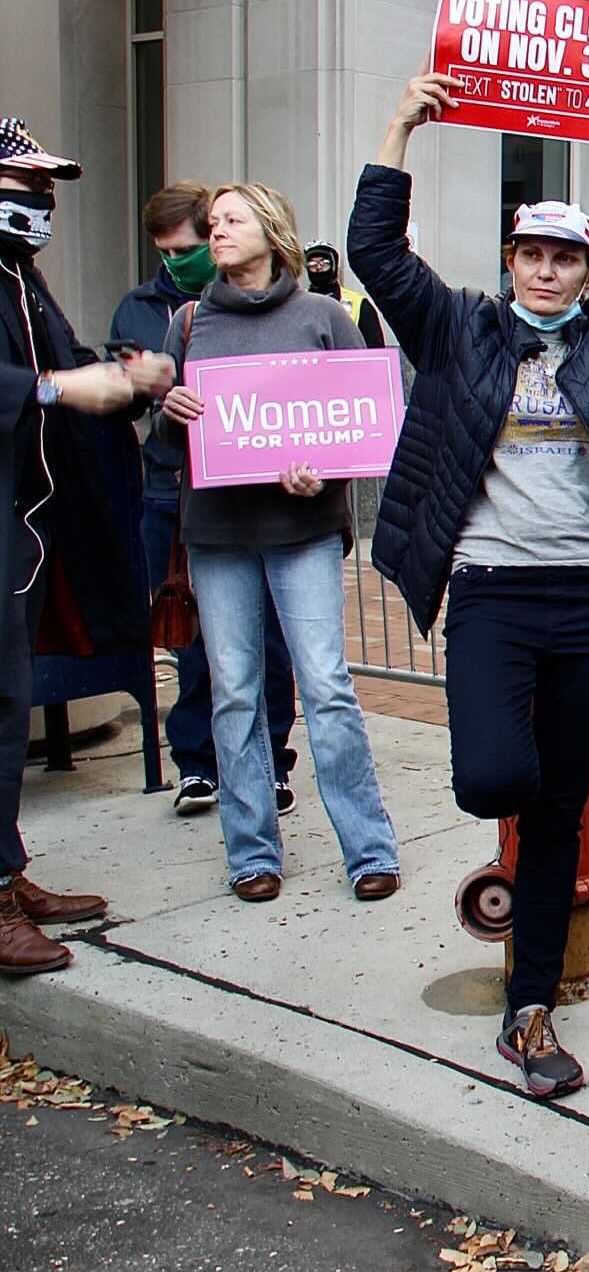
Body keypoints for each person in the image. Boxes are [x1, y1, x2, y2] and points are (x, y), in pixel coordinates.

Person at [346, 59, 589, 1099]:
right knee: (493, 780)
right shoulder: (460, 327)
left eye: (564, 257)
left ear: (588, 273)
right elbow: (374, 250)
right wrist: (400, 128)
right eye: (530, 253)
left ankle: (531, 1008)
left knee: (560, 807)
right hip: (494, 589)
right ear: (509, 260)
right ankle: (517, 924)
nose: (545, 272)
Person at [154, 184, 401, 903]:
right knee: (234, 693)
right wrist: (171, 413)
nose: (217, 232)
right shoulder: (190, 322)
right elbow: (167, 444)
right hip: (219, 534)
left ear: (272, 228)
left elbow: (365, 427)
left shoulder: (324, 316)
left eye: (231, 220)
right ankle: (252, 853)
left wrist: (320, 475)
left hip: (301, 532)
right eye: (213, 223)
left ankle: (369, 849)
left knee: (326, 687)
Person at [0, 118, 176, 974]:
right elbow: (47, 383)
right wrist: (57, 384)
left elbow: (73, 375)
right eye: (25, 185)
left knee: (6, 702)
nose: (41, 204)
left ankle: (7, 870)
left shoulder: (20, 279)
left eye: (48, 190)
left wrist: (127, 380)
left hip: (29, 533)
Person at [110, 182, 301, 817]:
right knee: (199, 643)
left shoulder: (290, 309)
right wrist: (151, 393)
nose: (177, 261)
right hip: (177, 493)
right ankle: (198, 763)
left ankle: (270, 763)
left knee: (269, 645)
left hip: (269, 502)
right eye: (164, 253)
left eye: (187, 247)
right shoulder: (152, 313)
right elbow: (133, 405)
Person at [303, 242, 386, 349]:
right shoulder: (297, 304)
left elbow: (376, 351)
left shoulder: (359, 303)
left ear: (334, 265)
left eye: (324, 263)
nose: (318, 268)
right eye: (313, 265)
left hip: (350, 364)